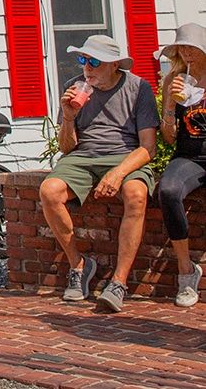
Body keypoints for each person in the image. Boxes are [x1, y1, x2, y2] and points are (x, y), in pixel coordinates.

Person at [38, 33, 159, 313]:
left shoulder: (138, 88)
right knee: (49, 190)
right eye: (83, 59)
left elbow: (148, 148)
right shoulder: (74, 88)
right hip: (83, 156)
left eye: (94, 61)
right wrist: (68, 117)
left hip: (124, 154)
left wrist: (117, 173)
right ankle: (79, 265)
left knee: (136, 194)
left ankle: (118, 282)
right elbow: (67, 148)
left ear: (114, 64)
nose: (87, 67)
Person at [156, 22, 206, 306]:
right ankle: (186, 272)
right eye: (181, 48)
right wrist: (171, 106)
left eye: (192, 47)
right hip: (189, 156)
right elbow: (169, 136)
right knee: (169, 190)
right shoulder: (174, 79)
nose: (186, 52)